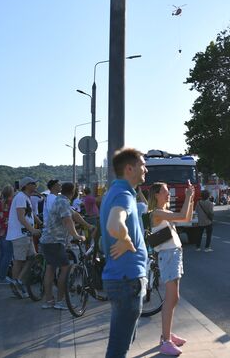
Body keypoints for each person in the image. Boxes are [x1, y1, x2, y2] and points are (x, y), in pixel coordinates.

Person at [100, 148, 148, 358]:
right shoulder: (124, 194)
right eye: (142, 164)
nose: (145, 168)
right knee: (118, 349)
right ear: (130, 169)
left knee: (122, 342)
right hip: (126, 280)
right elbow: (114, 224)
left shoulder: (114, 191)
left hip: (122, 279)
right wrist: (126, 239)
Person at [148, 181, 194, 356]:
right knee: (170, 298)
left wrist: (190, 200)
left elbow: (187, 219)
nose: (169, 194)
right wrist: (189, 196)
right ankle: (165, 341)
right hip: (168, 256)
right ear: (156, 195)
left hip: (173, 254)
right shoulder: (157, 213)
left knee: (174, 298)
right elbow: (182, 216)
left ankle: (167, 335)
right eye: (166, 192)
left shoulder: (163, 212)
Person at [39, 182, 89, 310]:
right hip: (55, 241)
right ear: (73, 193)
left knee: (50, 268)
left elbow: (74, 215)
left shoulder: (59, 200)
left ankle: (48, 300)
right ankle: (60, 301)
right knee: (66, 268)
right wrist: (77, 236)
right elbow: (67, 220)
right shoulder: (63, 202)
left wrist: (88, 225)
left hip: (47, 240)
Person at [6, 177, 42, 298]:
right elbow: (21, 217)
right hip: (20, 234)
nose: (35, 186)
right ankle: (16, 282)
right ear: (26, 185)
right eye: (33, 184)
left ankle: (18, 281)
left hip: (26, 234)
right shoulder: (21, 197)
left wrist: (40, 223)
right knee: (19, 260)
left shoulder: (25, 197)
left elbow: (30, 214)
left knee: (32, 257)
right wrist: (32, 230)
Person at [0, 185, 14, 284]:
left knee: (2, 255)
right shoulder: (12, 203)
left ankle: (1, 275)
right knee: (8, 255)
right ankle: (3, 277)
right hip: (8, 231)